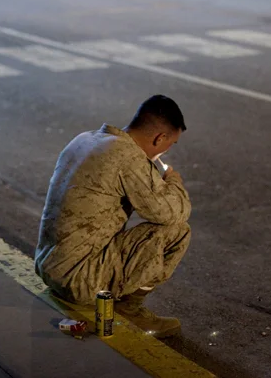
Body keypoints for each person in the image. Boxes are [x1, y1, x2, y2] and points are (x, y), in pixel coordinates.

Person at [35, 95, 191, 338]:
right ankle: (129, 308)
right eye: (171, 143)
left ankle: (114, 294)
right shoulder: (128, 156)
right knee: (177, 231)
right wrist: (173, 181)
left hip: (50, 266)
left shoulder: (85, 139)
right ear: (160, 138)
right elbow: (172, 213)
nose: (167, 149)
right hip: (80, 281)